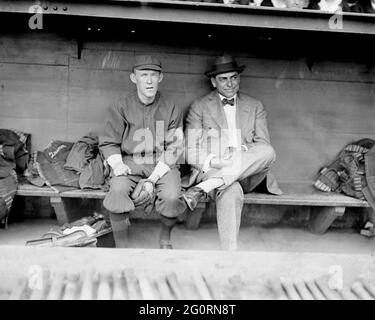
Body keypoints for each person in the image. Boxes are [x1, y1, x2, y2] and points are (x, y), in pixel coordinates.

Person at [183, 55, 282, 251]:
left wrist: (239, 153)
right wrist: (215, 161)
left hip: (248, 173)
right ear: (213, 82)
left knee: (268, 151)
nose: (230, 83)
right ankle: (230, 254)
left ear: (239, 78)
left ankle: (204, 188)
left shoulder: (255, 106)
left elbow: (263, 145)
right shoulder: (199, 107)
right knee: (230, 190)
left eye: (234, 77)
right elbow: (190, 150)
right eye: (223, 79)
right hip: (214, 169)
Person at [99, 55, 186, 249]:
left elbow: (175, 147)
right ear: (133, 78)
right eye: (143, 75)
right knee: (118, 190)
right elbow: (109, 141)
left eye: (153, 75)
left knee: (172, 196)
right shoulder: (120, 106)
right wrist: (117, 164)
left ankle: (165, 239)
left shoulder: (172, 107)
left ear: (160, 78)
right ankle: (122, 247)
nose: (149, 80)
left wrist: (151, 181)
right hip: (130, 162)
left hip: (164, 163)